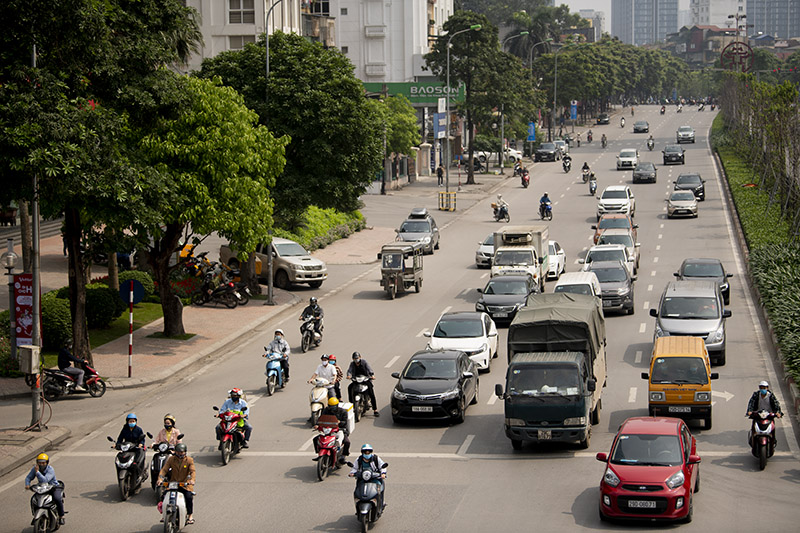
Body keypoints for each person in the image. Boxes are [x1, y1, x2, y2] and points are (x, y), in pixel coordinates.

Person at [157, 443, 196, 525]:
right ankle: (164, 515)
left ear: (185, 452)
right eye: (178, 452)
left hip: (185, 484)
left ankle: (190, 516)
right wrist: (160, 479)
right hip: (173, 483)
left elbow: (192, 471)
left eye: (182, 452)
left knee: (188, 497)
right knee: (164, 496)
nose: (180, 454)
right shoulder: (171, 459)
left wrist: (192, 480)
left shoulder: (189, 460)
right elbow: (164, 470)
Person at [25, 453, 65, 525]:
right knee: (33, 500)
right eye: (39, 463)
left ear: (47, 462)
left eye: (43, 463)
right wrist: (27, 484)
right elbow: (28, 477)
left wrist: (37, 472)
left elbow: (45, 480)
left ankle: (61, 516)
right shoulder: (35, 469)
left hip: (53, 487)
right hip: (42, 487)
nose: (41, 464)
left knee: (57, 498)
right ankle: (35, 515)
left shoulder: (50, 469)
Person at [349, 444, 387, 510]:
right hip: (362, 478)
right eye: (365, 452)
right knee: (357, 490)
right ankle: (358, 504)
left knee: (379, 490)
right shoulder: (359, 459)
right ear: (362, 452)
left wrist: (383, 473)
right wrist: (352, 473)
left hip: (375, 478)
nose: (367, 454)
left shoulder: (376, 458)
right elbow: (355, 468)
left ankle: (381, 502)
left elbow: (382, 466)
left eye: (368, 452)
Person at [347, 352, 379, 416]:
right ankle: (352, 403)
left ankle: (375, 409)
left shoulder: (364, 362)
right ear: (353, 359)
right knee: (350, 388)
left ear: (360, 357)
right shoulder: (352, 364)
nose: (356, 359)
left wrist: (371, 375)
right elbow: (349, 371)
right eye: (355, 358)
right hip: (356, 380)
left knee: (371, 392)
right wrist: (349, 375)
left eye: (357, 358)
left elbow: (369, 369)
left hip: (365, 379)